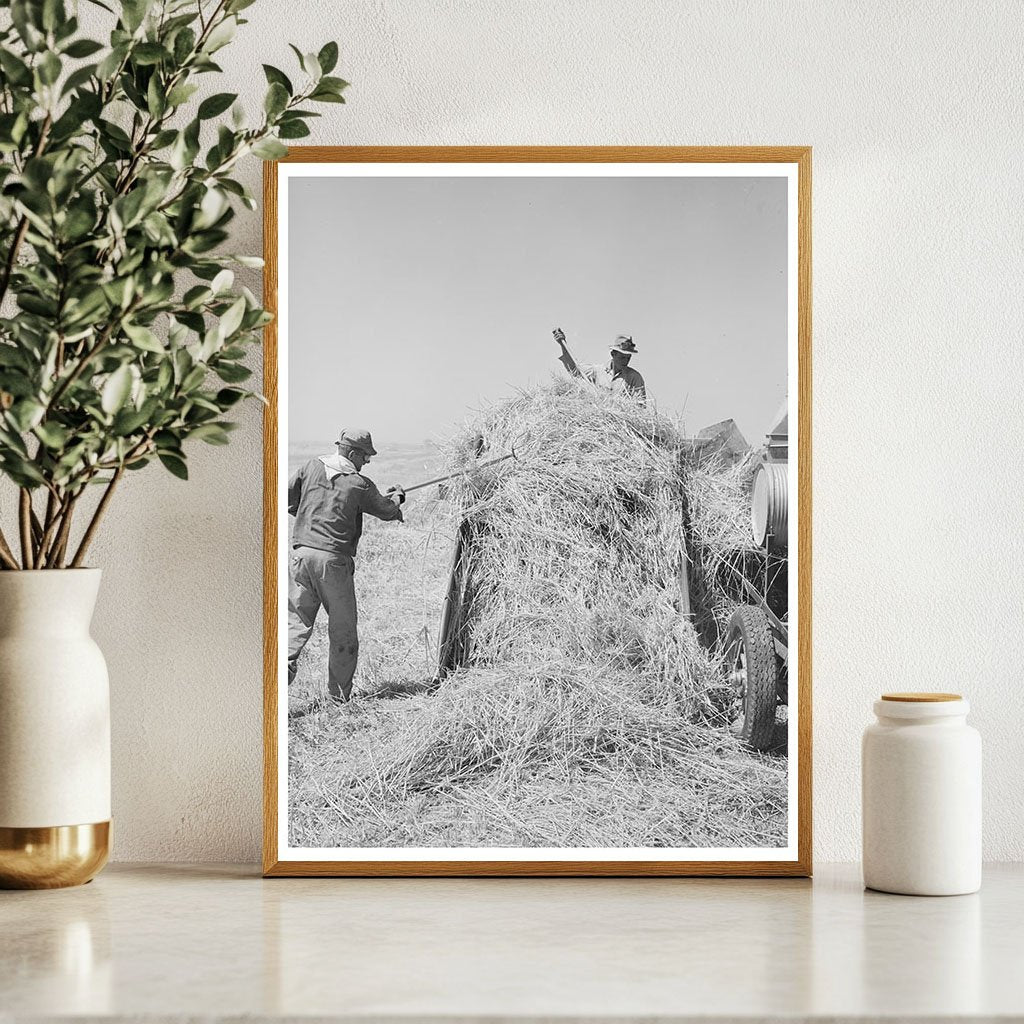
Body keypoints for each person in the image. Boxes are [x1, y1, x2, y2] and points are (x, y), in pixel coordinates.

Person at [287, 427, 405, 704]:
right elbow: (387, 511)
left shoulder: (310, 467)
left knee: (295, 624)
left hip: (300, 556)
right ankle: (338, 698)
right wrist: (398, 496)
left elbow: (290, 502)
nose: (367, 461)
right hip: (332, 562)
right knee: (343, 630)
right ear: (351, 453)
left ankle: (273, 683)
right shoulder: (359, 483)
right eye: (365, 455)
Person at [554, 329, 647, 402]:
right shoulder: (598, 371)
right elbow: (574, 369)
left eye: (628, 358)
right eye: (622, 357)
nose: (625, 361)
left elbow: (640, 406)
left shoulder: (634, 377)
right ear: (613, 354)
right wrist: (562, 344)